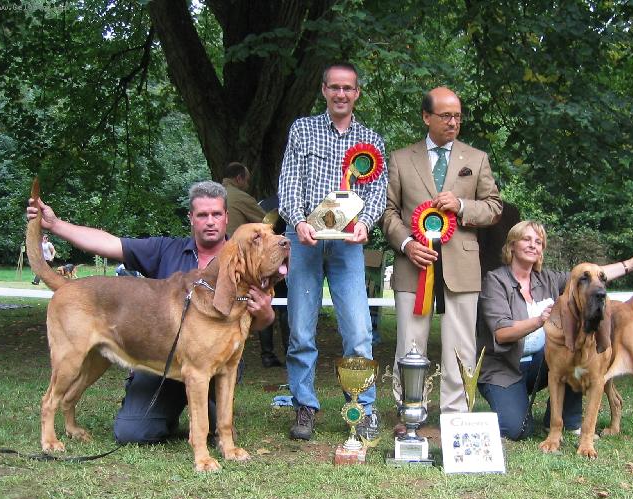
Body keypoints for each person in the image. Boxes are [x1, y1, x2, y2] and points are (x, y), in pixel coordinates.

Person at [26, 181, 275, 443]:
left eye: (216, 214)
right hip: (162, 365)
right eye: (202, 215)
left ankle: (214, 425)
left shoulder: (245, 258)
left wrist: (265, 313)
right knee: (132, 431)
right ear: (191, 218)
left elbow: (255, 321)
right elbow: (109, 243)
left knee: (216, 424)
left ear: (226, 217)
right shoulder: (167, 249)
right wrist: (55, 225)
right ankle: (55, 420)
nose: (210, 221)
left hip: (212, 367)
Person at [277, 61, 387, 441]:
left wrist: (365, 224)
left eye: (348, 88)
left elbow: (377, 193)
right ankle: (305, 406)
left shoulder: (371, 140)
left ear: (357, 93)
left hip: (347, 247)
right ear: (324, 90)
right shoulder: (302, 130)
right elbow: (289, 183)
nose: (341, 94)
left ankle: (362, 408)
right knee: (300, 331)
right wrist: (298, 221)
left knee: (358, 331)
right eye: (334, 87)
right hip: (304, 240)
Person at [382, 86, 503, 415]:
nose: (453, 123)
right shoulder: (400, 158)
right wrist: (407, 244)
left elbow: (494, 208)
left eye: (458, 117)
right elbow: (388, 212)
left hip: (462, 266)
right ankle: (411, 412)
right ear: (426, 117)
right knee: (409, 344)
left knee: (461, 346)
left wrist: (461, 205)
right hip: (413, 265)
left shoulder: (477, 159)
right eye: (446, 116)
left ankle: (456, 415)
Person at [476, 221, 633, 440]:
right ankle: (515, 403)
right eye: (526, 239)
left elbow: (588, 275)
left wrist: (630, 264)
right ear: (512, 245)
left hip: (539, 362)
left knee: (574, 351)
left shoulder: (547, 278)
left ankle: (565, 420)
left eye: (538, 242)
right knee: (516, 430)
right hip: (503, 369)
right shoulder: (495, 281)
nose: (533, 245)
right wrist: (538, 320)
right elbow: (501, 333)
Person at [222, 162, 283, 368]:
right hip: (242, 264)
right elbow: (265, 225)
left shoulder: (212, 195)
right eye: (247, 181)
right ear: (239, 178)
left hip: (207, 263)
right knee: (261, 300)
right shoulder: (241, 197)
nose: (248, 185)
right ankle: (267, 354)